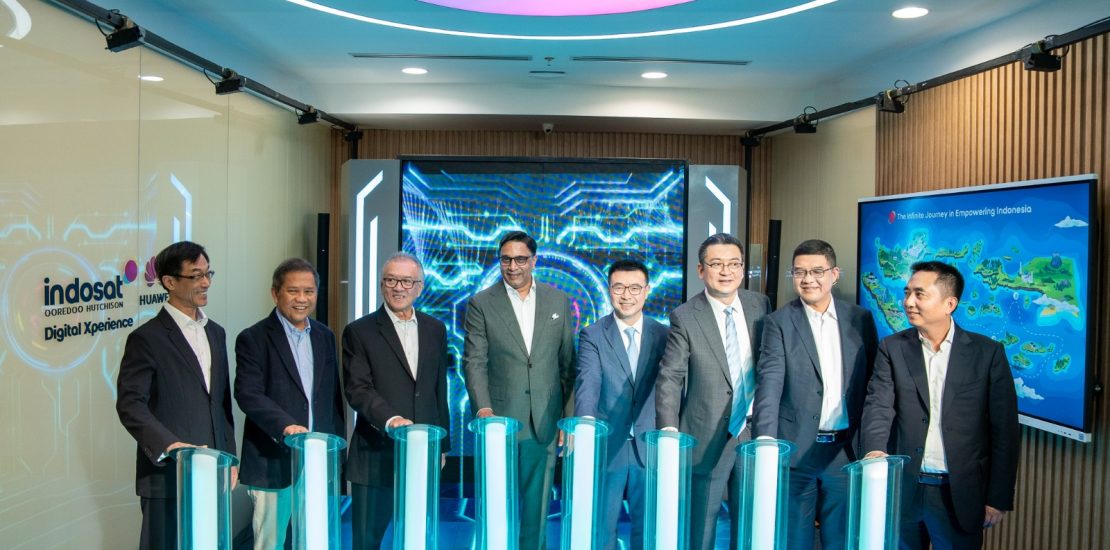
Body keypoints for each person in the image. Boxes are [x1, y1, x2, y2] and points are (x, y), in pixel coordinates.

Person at [861, 261, 1020, 550]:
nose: (908, 302)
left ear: (949, 304)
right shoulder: (892, 348)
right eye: (907, 293)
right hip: (904, 488)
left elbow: (1004, 431)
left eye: (919, 294)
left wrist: (997, 497)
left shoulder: (987, 354)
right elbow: (878, 406)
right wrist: (874, 454)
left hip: (959, 493)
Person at [752, 239, 879, 550]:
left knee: (843, 538)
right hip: (796, 450)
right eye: (799, 272)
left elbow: (874, 384)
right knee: (794, 539)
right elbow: (769, 383)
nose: (808, 279)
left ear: (834, 274)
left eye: (817, 271)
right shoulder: (778, 322)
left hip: (845, 451)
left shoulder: (860, 319)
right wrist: (765, 441)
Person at [116, 241, 236, 550]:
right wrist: (170, 445)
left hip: (212, 470)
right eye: (196, 275)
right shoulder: (146, 338)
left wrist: (230, 458)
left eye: (208, 274)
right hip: (168, 476)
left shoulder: (216, 332)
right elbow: (130, 405)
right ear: (169, 282)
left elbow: (221, 403)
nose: (206, 282)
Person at [655, 233, 771, 550]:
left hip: (754, 431)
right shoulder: (685, 316)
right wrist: (668, 428)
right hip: (706, 434)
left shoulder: (760, 305)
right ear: (700, 270)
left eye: (734, 264)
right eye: (716, 264)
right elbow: (670, 376)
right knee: (701, 530)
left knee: (751, 526)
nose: (726, 271)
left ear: (743, 268)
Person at [464, 230, 575, 550]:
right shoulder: (481, 303)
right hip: (499, 421)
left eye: (520, 259)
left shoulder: (558, 300)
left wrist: (567, 419)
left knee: (537, 511)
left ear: (534, 261)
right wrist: (483, 409)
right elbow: (474, 361)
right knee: (496, 508)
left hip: (545, 421)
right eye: (506, 259)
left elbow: (568, 365)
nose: (513, 266)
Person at [233, 258, 345, 550]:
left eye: (309, 292)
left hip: (317, 457)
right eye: (293, 291)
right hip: (272, 459)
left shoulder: (324, 335)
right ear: (275, 293)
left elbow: (331, 398)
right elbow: (248, 394)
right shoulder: (253, 338)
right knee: (270, 541)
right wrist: (285, 427)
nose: (301, 299)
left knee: (314, 538)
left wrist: (336, 452)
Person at [341, 252, 450, 550]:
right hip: (375, 456)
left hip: (422, 453)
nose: (398, 287)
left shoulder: (435, 329)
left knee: (417, 538)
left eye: (406, 281)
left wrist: (442, 445)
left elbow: (439, 390)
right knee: (367, 542)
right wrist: (392, 420)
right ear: (381, 285)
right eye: (391, 280)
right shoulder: (359, 332)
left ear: (419, 287)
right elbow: (357, 389)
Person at [575, 259, 669, 550]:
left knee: (649, 529)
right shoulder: (592, 334)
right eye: (619, 288)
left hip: (650, 444)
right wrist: (586, 426)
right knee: (601, 528)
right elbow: (588, 382)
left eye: (634, 288)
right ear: (609, 289)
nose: (626, 295)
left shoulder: (665, 335)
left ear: (647, 290)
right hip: (608, 443)